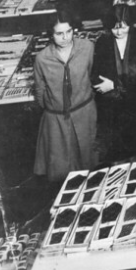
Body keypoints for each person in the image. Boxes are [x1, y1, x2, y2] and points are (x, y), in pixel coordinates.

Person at [33, 20, 97, 181]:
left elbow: (91, 74)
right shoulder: (42, 58)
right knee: (61, 168)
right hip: (56, 117)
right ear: (51, 35)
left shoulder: (87, 47)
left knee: (90, 166)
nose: (65, 37)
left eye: (69, 31)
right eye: (59, 33)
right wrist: (53, 108)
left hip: (84, 112)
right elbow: (40, 89)